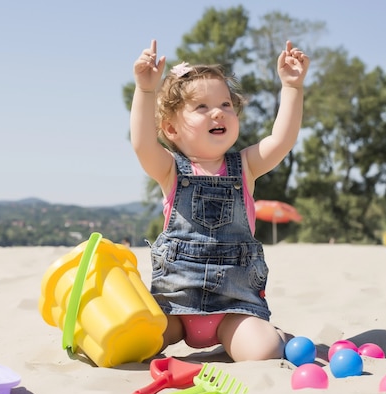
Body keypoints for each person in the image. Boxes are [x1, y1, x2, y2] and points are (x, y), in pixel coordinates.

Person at [130, 39, 309, 361]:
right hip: (175, 306)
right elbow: (142, 144)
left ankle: (273, 335)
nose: (218, 113)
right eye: (202, 107)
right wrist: (145, 91)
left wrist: (292, 86)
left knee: (264, 352)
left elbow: (281, 140)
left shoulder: (247, 166)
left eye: (226, 104)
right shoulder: (170, 169)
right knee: (135, 341)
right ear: (170, 128)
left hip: (233, 307)